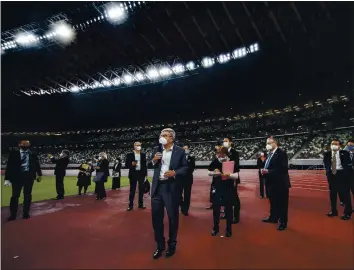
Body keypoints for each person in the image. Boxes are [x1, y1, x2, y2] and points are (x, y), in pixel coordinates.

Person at [150, 128, 188, 259]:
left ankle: (172, 244)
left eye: (165, 135)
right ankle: (159, 246)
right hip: (157, 188)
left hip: (171, 188)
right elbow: (153, 164)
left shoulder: (180, 151)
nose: (162, 137)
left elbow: (185, 167)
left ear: (171, 138)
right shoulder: (157, 149)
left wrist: (175, 172)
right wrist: (154, 160)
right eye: (161, 134)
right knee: (156, 219)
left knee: (172, 218)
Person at [4, 140, 42, 221]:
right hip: (17, 178)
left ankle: (25, 213)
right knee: (15, 196)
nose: (25, 145)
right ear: (19, 145)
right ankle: (13, 215)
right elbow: (9, 166)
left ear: (29, 145)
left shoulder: (33, 153)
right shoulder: (14, 153)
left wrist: (39, 174)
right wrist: (7, 179)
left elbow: (37, 164)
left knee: (27, 196)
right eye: (23, 144)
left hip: (29, 177)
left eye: (27, 144)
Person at [208, 147, 239, 237]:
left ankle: (229, 229)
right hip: (217, 188)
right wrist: (214, 172)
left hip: (228, 189)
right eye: (217, 153)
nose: (218, 155)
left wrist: (229, 175)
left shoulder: (232, 162)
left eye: (220, 153)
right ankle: (215, 228)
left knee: (229, 210)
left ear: (225, 154)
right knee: (216, 210)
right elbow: (209, 172)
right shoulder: (215, 161)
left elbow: (237, 176)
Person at [261, 137, 291, 231]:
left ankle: (283, 222)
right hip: (270, 182)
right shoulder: (269, 154)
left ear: (275, 143)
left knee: (282, 204)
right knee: (272, 202)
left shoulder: (281, 153)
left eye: (269, 142)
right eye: (267, 143)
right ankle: (273, 217)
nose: (267, 144)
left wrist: (268, 171)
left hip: (280, 183)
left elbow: (283, 168)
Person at [323, 139, 352, 220]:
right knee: (333, 195)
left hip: (342, 176)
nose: (334, 145)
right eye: (332, 143)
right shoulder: (327, 154)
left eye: (336, 144)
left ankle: (347, 213)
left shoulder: (345, 153)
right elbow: (326, 165)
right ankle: (333, 211)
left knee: (345, 195)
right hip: (332, 176)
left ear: (340, 146)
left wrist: (346, 175)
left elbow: (348, 165)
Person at [222, 137, 241, 224]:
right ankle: (226, 214)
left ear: (230, 142)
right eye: (224, 141)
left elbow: (236, 165)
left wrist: (228, 161)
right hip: (223, 177)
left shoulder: (235, 152)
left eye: (226, 141)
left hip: (231, 177)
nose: (224, 142)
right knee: (225, 197)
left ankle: (236, 217)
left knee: (234, 198)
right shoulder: (222, 152)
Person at [126, 142, 148, 211]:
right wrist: (131, 164)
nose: (138, 146)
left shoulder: (143, 155)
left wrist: (145, 174)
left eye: (139, 145)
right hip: (133, 174)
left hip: (141, 174)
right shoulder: (129, 155)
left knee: (141, 189)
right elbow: (126, 165)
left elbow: (144, 165)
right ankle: (130, 205)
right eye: (137, 145)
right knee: (132, 190)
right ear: (134, 146)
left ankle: (140, 204)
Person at [180, 145, 195, 216]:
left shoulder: (191, 158)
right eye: (184, 149)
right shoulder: (179, 158)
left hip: (188, 179)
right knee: (178, 195)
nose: (185, 150)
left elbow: (192, 169)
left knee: (187, 195)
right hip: (180, 179)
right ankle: (182, 205)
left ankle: (185, 209)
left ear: (189, 149)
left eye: (186, 148)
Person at [206, 145, 221, 210]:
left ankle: (221, 206)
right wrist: (214, 170)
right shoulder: (215, 160)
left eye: (218, 153)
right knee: (213, 192)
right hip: (215, 179)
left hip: (223, 179)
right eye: (216, 153)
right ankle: (213, 204)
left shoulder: (226, 160)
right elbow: (209, 167)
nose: (217, 154)